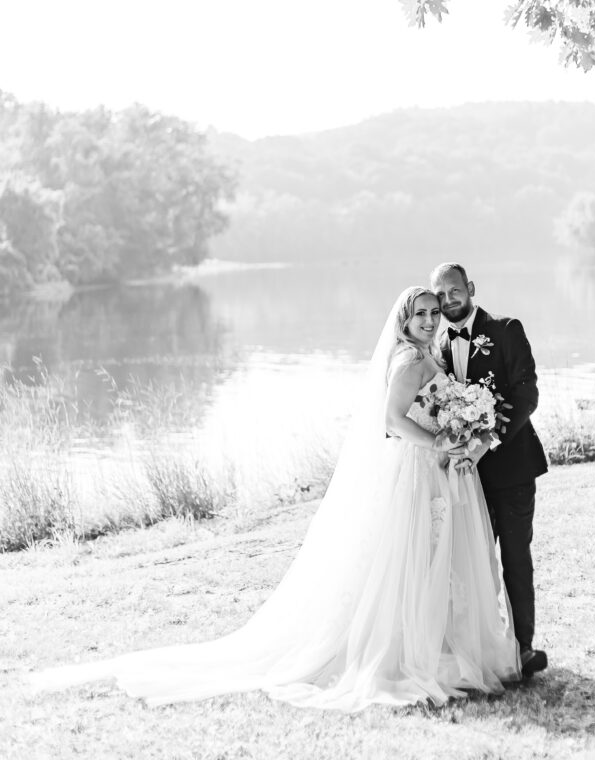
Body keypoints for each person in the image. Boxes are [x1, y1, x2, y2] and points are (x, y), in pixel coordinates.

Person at [28, 287, 520, 711]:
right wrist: (438, 441)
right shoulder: (409, 359)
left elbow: (432, 408)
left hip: (436, 472)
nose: (431, 320)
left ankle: (436, 642)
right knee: (410, 560)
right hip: (415, 473)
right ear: (404, 320)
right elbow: (392, 422)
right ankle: (409, 650)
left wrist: (462, 426)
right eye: (422, 314)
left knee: (431, 559)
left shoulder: (427, 354)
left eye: (435, 313)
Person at [430, 263, 548, 679]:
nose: (448, 300)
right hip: (466, 477)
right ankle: (484, 648)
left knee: (515, 558)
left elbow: (526, 391)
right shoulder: (437, 346)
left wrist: (486, 442)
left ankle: (524, 648)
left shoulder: (505, 329)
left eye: (454, 290)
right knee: (474, 563)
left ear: (471, 289)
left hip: (512, 469)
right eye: (441, 295)